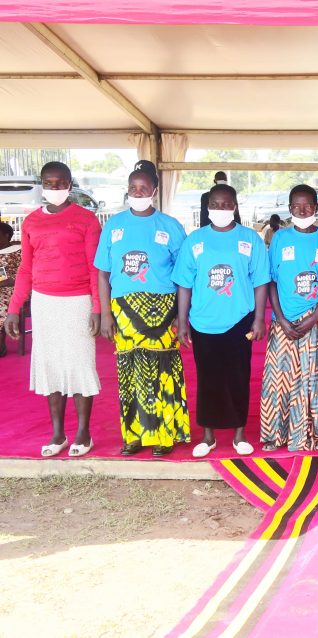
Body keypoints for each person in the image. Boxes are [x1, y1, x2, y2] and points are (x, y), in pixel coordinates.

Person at [4, 162, 101, 457]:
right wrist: (13, 308)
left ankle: (83, 433)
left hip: (78, 302)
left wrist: (98, 308)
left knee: (80, 364)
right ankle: (58, 433)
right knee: (51, 367)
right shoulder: (32, 222)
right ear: (42, 184)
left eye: (60, 183)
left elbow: (95, 269)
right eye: (49, 183)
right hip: (44, 302)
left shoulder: (87, 220)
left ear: (70, 184)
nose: (55, 188)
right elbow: (25, 270)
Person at [95, 160, 190, 457]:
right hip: (123, 309)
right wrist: (106, 315)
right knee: (129, 371)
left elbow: (185, 275)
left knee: (162, 370)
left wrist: (179, 313)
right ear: (127, 191)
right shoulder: (114, 225)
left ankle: (164, 434)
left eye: (143, 188)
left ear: (155, 191)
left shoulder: (171, 227)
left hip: (162, 308)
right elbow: (102, 272)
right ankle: (133, 435)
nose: (138, 193)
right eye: (133, 188)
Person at [172, 183, 269, 457]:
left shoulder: (250, 239)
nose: (221, 209)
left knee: (238, 377)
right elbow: (184, 284)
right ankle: (208, 435)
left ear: (235, 207)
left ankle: (239, 434)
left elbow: (261, 281)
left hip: (239, 320)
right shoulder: (195, 240)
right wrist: (182, 321)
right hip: (203, 320)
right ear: (207, 208)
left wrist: (260, 318)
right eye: (215, 205)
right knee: (208, 378)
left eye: (227, 205)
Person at [260, 184, 318, 452]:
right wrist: (280, 319)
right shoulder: (280, 238)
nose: (302, 210)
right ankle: (276, 435)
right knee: (279, 379)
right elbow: (271, 281)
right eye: (296, 206)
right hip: (285, 319)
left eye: (307, 206)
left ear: (316, 208)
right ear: (289, 209)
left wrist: (314, 317)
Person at [0, 222, 21, 358]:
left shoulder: (19, 250)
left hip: (14, 288)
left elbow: (23, 275)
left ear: (6, 235)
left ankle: (0, 344)